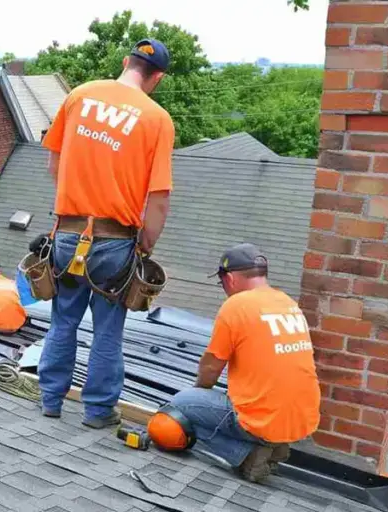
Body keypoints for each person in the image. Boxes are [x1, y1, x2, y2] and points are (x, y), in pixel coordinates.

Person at [37, 39, 175, 429]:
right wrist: (145, 244)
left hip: (67, 233)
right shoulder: (156, 119)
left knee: (63, 320)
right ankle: (97, 411)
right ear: (157, 77)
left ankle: (51, 399)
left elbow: (54, 165)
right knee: (107, 330)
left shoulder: (80, 96)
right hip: (115, 243)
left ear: (125, 62)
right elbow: (158, 197)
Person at [166, 244, 321, 483]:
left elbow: (210, 369)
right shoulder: (288, 303)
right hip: (301, 419)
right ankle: (273, 444)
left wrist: (200, 392)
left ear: (230, 278)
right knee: (231, 400)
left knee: (179, 407)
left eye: (222, 283)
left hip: (261, 419)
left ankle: (248, 455)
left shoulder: (237, 305)